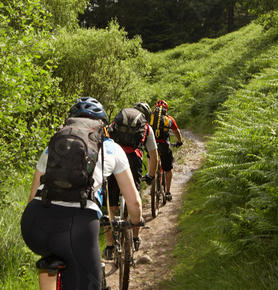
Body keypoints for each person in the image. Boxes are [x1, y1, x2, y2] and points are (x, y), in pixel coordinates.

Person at [20, 97, 144, 290]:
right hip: (77, 228)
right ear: (101, 124)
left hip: (33, 226)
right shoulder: (112, 148)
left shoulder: (53, 147)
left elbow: (32, 196)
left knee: (49, 258)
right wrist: (136, 222)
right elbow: (134, 202)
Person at [102, 102, 158, 260]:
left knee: (110, 205)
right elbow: (153, 157)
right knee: (134, 198)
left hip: (113, 158)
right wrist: (151, 175)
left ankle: (109, 246)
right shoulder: (146, 127)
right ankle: (135, 238)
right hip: (133, 162)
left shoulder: (118, 121)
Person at [150, 100, 183, 201]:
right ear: (166, 109)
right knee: (168, 168)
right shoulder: (169, 119)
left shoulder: (150, 118)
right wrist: (179, 142)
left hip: (152, 145)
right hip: (164, 145)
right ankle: (168, 192)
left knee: (151, 158)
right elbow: (177, 132)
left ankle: (151, 177)